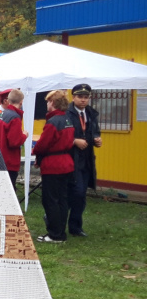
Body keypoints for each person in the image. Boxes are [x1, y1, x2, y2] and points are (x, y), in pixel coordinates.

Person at [33, 90, 75, 243]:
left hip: (53, 164)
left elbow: (43, 144)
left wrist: (35, 152)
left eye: (48, 101)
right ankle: (60, 231)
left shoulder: (53, 122)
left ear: (53, 103)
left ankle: (54, 234)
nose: (46, 104)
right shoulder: (67, 120)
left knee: (50, 200)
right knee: (62, 199)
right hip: (66, 163)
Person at [65, 83, 101, 238]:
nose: (83, 100)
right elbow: (62, 134)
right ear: (73, 98)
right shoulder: (67, 114)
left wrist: (96, 139)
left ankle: (76, 227)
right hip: (71, 158)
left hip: (86, 160)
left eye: (86, 97)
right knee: (74, 192)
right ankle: (56, 218)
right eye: (80, 97)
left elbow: (95, 131)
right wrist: (74, 141)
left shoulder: (91, 113)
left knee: (81, 194)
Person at [0, 88, 29, 189]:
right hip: (9, 161)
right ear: (21, 102)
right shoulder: (15, 117)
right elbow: (14, 142)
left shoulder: (0, 114)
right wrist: (24, 135)